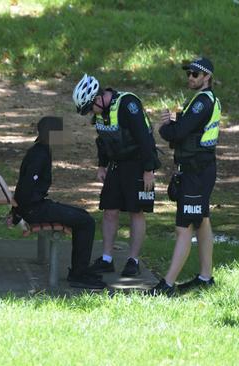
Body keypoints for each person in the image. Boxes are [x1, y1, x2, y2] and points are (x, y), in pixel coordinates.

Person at [72, 74, 161, 277]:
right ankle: (106, 259)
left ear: (98, 98)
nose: (90, 113)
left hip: (138, 164)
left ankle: (133, 260)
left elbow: (144, 138)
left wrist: (149, 170)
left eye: (89, 108)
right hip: (116, 165)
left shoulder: (128, 104)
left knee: (136, 212)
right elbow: (103, 140)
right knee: (109, 211)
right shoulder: (101, 112)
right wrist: (101, 165)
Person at [150, 57, 221, 296]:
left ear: (207, 77)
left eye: (195, 74)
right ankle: (205, 277)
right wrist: (174, 124)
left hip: (196, 171)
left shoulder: (202, 101)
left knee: (184, 227)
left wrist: (164, 129)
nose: (190, 77)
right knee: (202, 221)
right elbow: (187, 129)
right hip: (198, 168)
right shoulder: (199, 100)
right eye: (188, 73)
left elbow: (179, 132)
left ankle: (167, 285)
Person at [11, 116, 106, 289]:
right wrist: (17, 214)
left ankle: (80, 270)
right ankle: (78, 274)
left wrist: (17, 209)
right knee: (86, 222)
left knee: (84, 217)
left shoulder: (41, 150)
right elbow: (25, 186)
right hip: (35, 209)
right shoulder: (40, 154)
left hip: (36, 206)